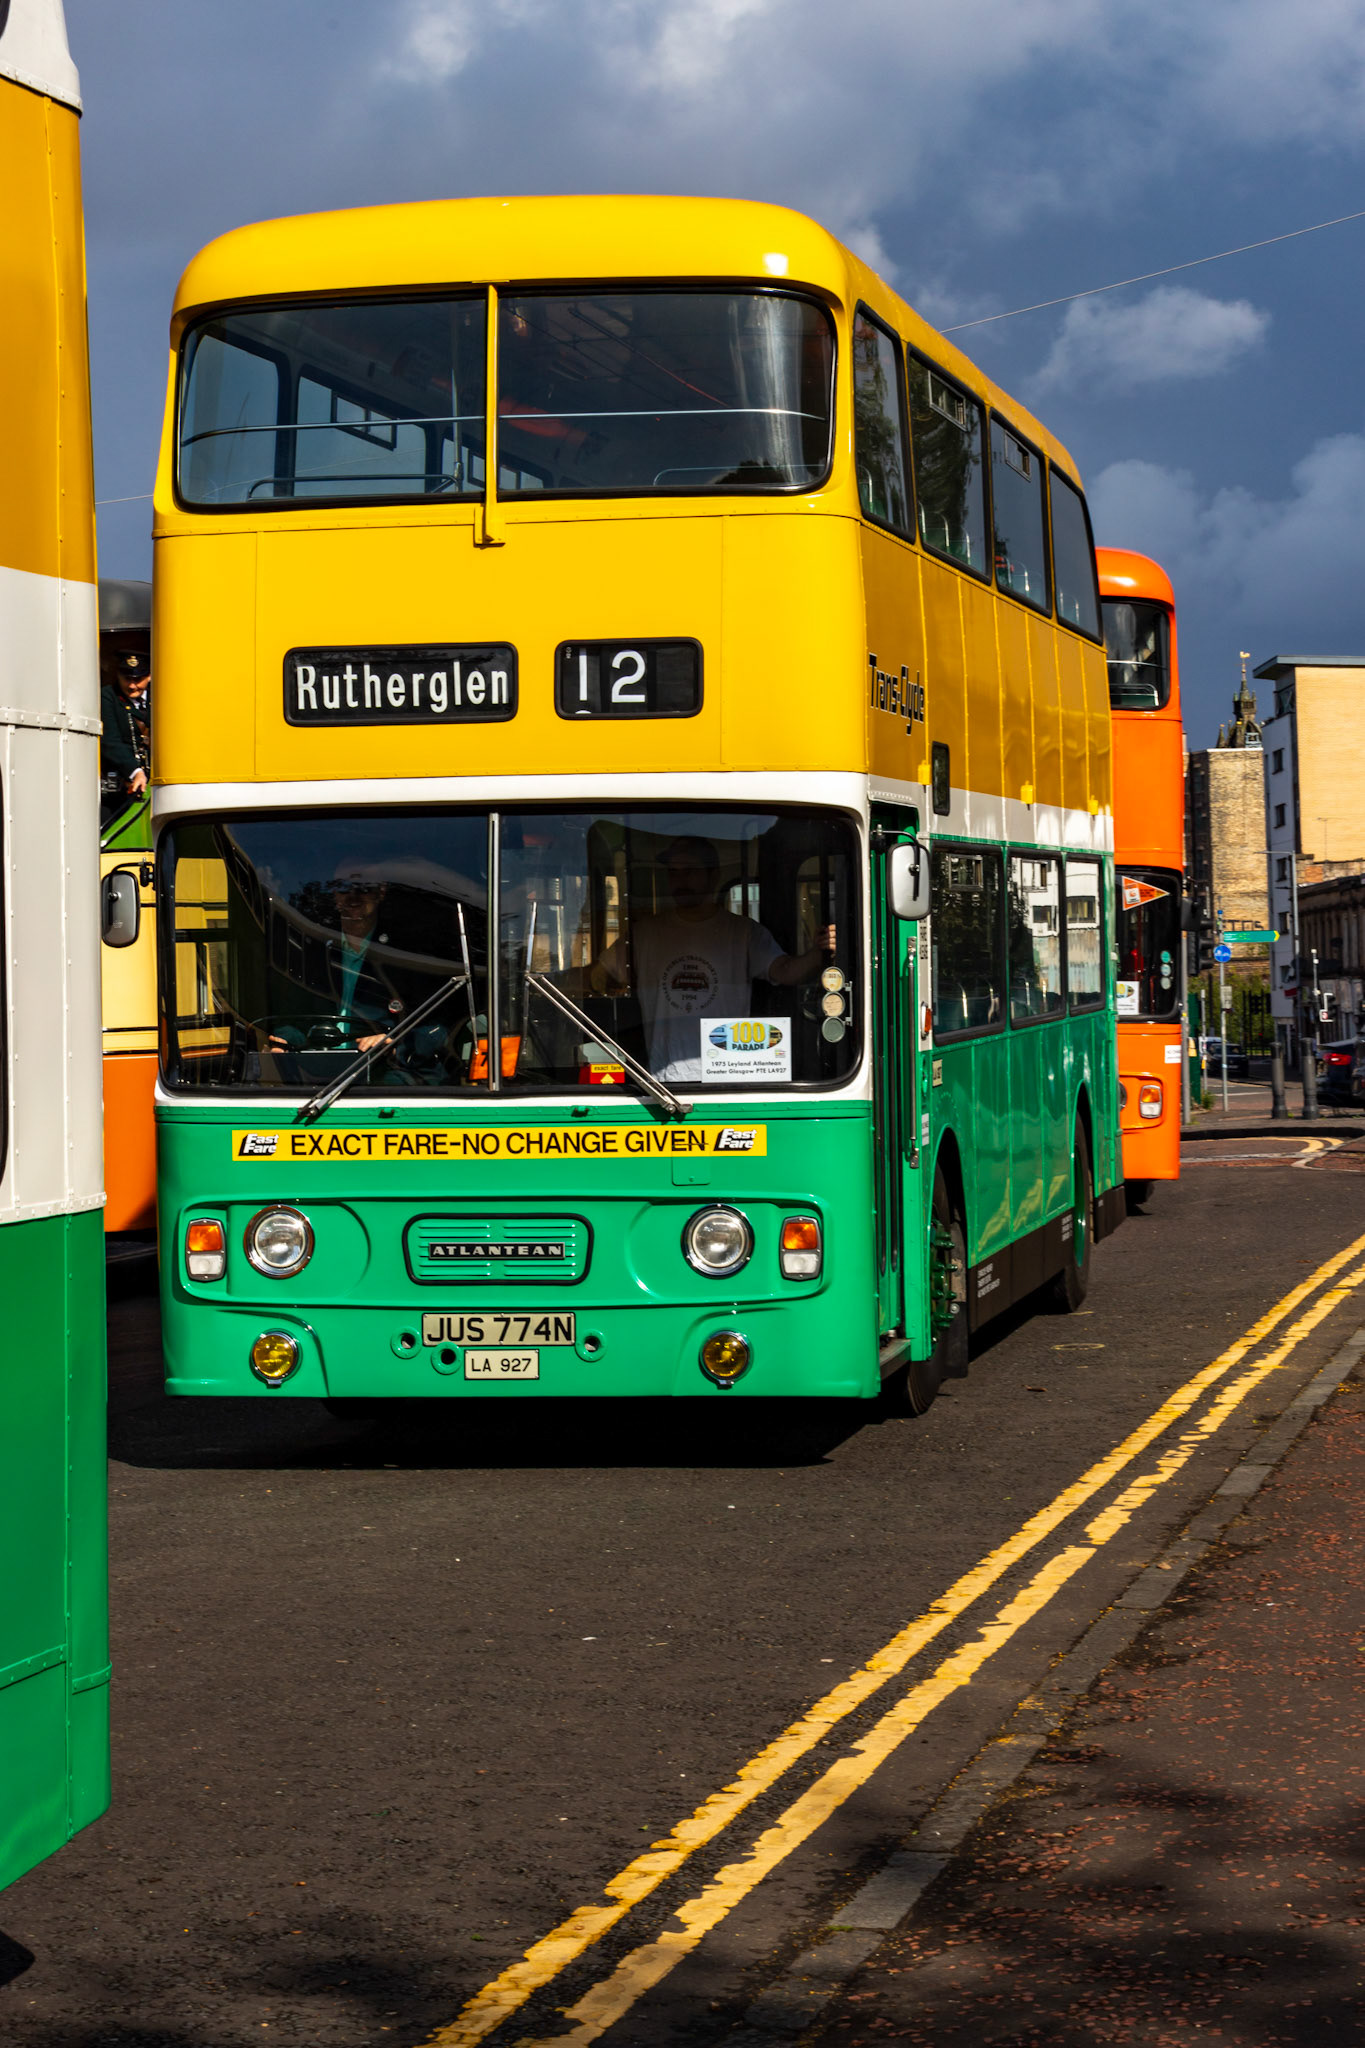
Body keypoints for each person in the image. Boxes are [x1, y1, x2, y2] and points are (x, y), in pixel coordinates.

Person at [583, 835, 835, 1082]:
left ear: (714, 876)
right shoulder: (644, 933)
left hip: (727, 1075)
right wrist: (561, 983)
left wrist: (820, 951)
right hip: (663, 1081)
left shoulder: (743, 932)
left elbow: (786, 971)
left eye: (690, 871)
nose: (680, 880)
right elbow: (598, 976)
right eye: (673, 872)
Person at [99, 649, 150, 826]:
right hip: (122, 787)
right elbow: (110, 741)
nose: (132, 686)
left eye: (138, 679)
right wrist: (135, 771)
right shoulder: (108, 696)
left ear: (149, 676)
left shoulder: (160, 696)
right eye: (127, 679)